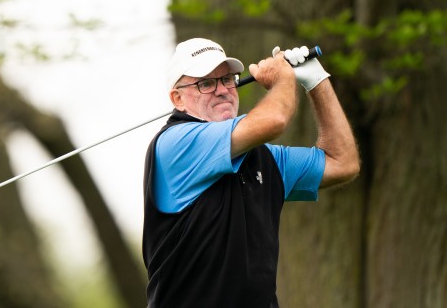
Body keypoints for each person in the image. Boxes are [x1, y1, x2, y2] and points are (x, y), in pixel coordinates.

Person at [142, 38, 360, 308]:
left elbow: (343, 162)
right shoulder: (175, 144)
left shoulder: (267, 159)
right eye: (206, 83)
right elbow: (274, 120)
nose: (222, 90)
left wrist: (317, 81)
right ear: (178, 98)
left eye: (227, 79)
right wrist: (283, 78)